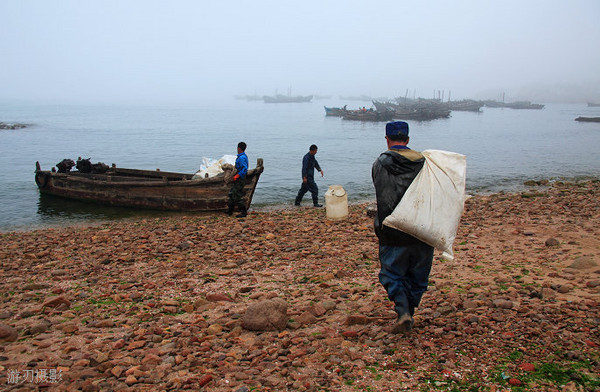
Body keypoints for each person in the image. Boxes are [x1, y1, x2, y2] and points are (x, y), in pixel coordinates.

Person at [372, 121, 434, 333]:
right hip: (423, 228)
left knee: (391, 273)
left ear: (387, 139)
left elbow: (382, 194)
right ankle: (409, 312)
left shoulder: (380, 163)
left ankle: (403, 311)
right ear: (407, 140)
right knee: (418, 275)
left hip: (392, 229)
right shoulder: (425, 163)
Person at [226, 142, 249, 218]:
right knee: (232, 194)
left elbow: (244, 169)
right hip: (238, 178)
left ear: (239, 148)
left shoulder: (242, 158)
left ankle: (244, 212)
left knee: (237, 195)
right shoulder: (241, 157)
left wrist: (237, 176)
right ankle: (230, 211)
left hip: (240, 179)